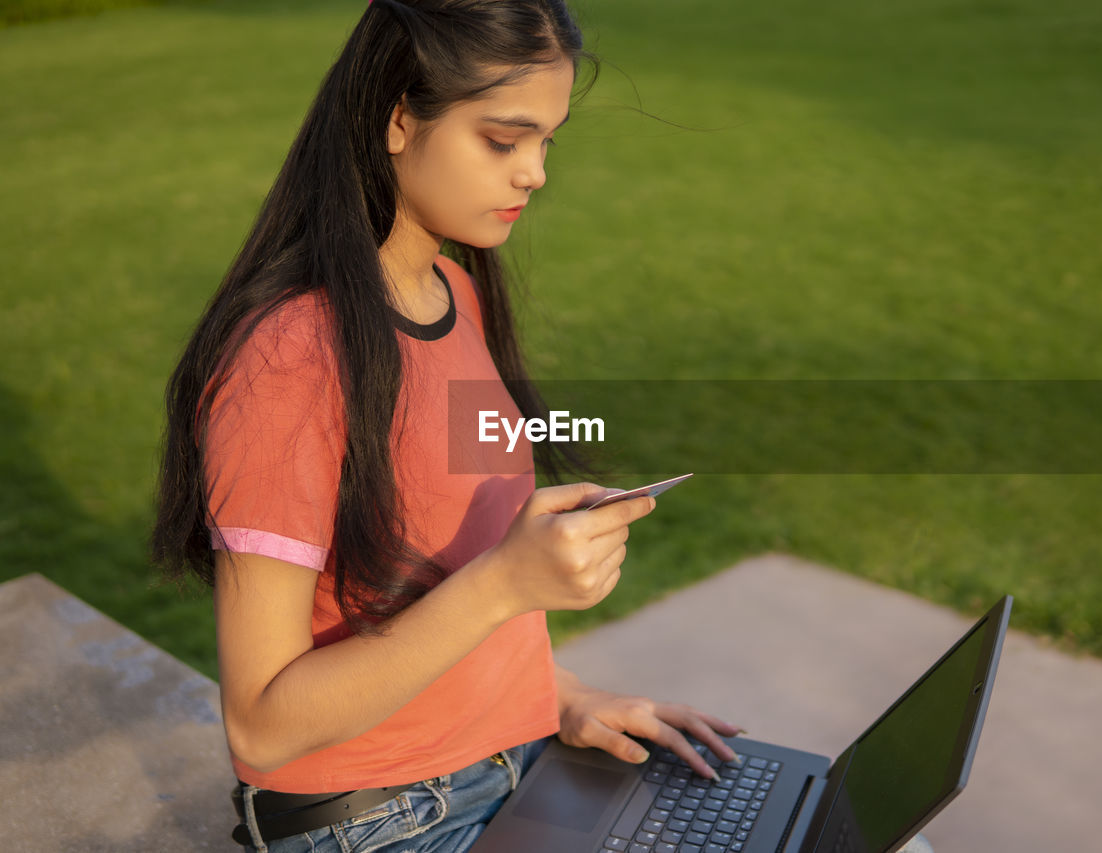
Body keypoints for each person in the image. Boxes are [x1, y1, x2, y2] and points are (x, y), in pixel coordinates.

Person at [151, 1, 742, 850]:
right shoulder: (288, 361)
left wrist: (562, 693)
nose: (534, 172)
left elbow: (444, 578)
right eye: (504, 141)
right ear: (398, 120)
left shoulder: (454, 296)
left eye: (547, 142)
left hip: (513, 757)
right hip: (386, 820)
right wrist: (509, 580)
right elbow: (262, 727)